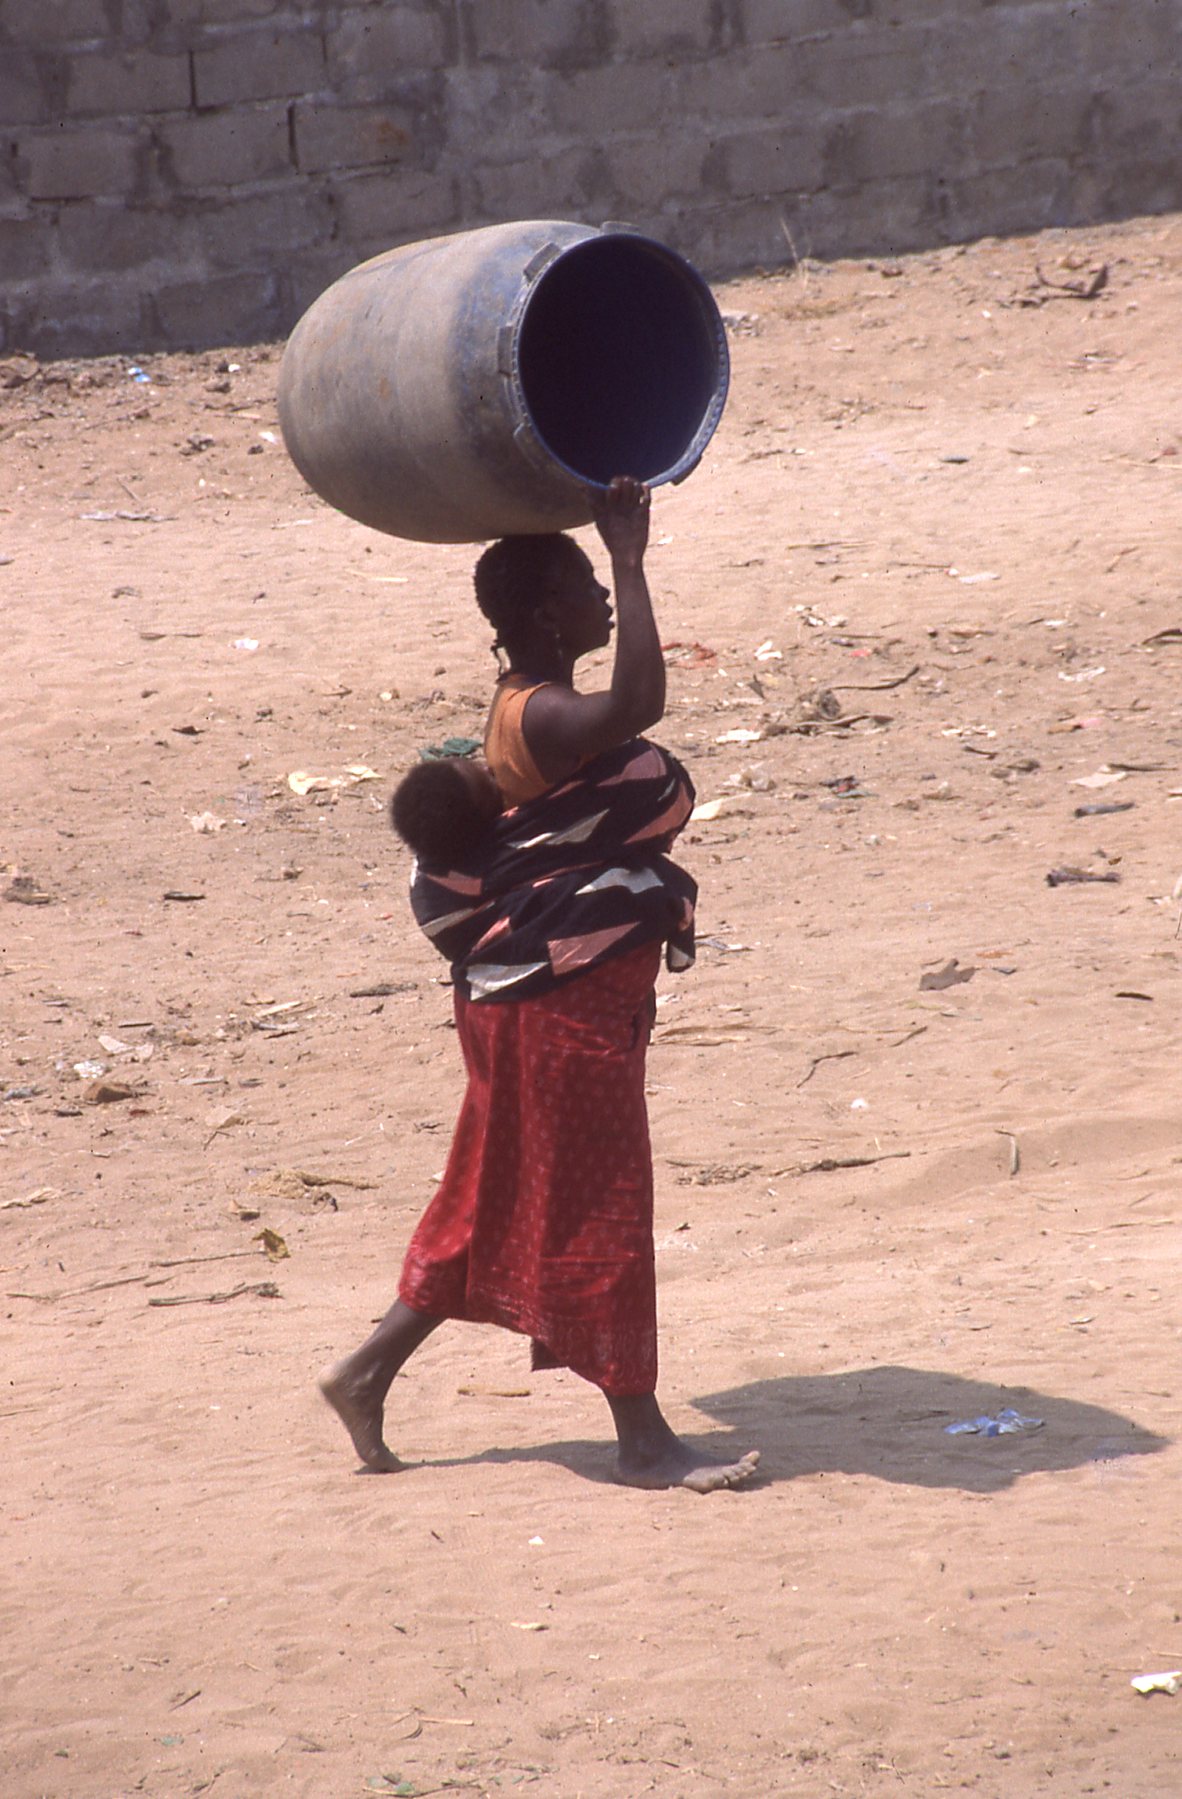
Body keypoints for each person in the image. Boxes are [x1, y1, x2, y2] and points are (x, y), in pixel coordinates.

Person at [320, 477, 759, 1493]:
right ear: (544, 615)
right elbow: (640, 702)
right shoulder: (547, 712)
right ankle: (643, 1441)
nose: (600, 596)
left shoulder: (529, 706)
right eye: (583, 584)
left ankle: (364, 1371)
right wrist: (632, 556)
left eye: (601, 580)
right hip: (554, 1001)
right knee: (601, 1199)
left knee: (490, 1191)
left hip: (530, 993)